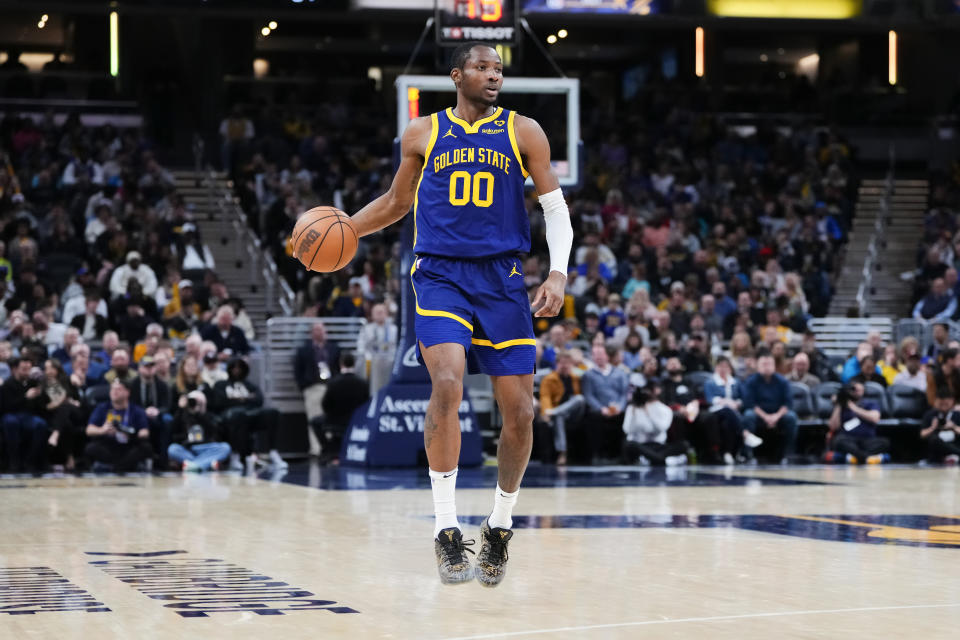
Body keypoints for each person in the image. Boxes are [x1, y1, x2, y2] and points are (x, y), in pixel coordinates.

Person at [348, 42, 573, 587]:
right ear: (457, 75)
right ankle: (447, 529)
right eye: (482, 67)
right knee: (446, 383)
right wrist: (346, 231)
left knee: (520, 412)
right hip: (441, 274)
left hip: (503, 279)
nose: (493, 75)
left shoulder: (525, 132)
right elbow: (397, 203)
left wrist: (559, 271)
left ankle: (498, 526)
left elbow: (555, 208)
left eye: (498, 68)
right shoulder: (423, 133)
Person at [209, 358, 286, 470]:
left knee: (273, 413)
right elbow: (220, 401)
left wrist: (237, 399)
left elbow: (259, 400)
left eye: (240, 367)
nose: (237, 370)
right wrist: (245, 399)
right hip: (231, 417)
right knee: (238, 414)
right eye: (234, 367)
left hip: (250, 415)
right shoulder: (221, 384)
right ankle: (235, 455)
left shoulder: (250, 385)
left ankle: (273, 452)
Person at [703, 356, 763, 465]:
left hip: (733, 413)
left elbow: (743, 398)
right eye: (720, 366)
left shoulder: (736, 382)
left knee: (729, 422)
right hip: (716, 412)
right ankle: (745, 434)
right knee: (727, 410)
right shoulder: (710, 382)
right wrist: (725, 401)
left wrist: (736, 403)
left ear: (730, 369)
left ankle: (730, 453)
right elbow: (709, 399)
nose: (723, 369)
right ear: (716, 368)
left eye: (726, 366)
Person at [294, 321, 341, 457]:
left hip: (330, 387)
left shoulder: (333, 348)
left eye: (322, 330)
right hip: (313, 387)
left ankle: (331, 448)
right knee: (314, 418)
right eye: (317, 330)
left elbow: (338, 367)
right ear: (312, 333)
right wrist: (304, 385)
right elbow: (298, 371)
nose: (320, 333)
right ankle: (316, 449)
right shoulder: (304, 350)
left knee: (331, 418)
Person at [741, 351, 798, 463]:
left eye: (769, 364)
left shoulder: (782, 381)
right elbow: (750, 404)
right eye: (764, 364)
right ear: (758, 365)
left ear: (774, 366)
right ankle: (748, 454)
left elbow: (787, 403)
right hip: (759, 414)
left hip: (778, 414)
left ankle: (786, 454)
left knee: (791, 417)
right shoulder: (751, 381)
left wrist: (776, 416)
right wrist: (766, 417)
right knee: (748, 416)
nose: (767, 367)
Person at [84, 379, 153, 472]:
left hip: (129, 444)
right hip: (109, 444)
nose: (114, 392)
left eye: (119, 389)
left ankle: (113, 467)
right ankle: (123, 467)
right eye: (112, 389)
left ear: (127, 392)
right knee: (91, 448)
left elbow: (145, 432)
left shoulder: (136, 409)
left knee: (146, 448)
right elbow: (89, 430)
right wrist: (103, 430)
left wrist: (130, 433)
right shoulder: (102, 408)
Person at [317, 352, 370, 465]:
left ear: (341, 364)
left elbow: (325, 404)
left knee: (315, 422)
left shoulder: (333, 383)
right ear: (354, 364)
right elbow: (366, 403)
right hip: (356, 420)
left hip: (335, 420)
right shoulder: (363, 383)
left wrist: (332, 414)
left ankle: (329, 450)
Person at [581, 344, 629, 463]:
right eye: (595, 355)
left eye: (601, 354)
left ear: (607, 356)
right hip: (598, 410)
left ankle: (620, 455)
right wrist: (601, 408)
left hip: (617, 409)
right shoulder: (588, 375)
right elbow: (588, 395)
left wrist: (619, 407)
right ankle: (598, 455)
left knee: (625, 418)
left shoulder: (620, 373)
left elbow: (624, 394)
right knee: (593, 419)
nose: (599, 357)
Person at [621, 382, 688, 466]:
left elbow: (661, 428)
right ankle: (663, 460)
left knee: (684, 445)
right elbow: (626, 430)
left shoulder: (665, 409)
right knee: (629, 445)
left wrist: (647, 412)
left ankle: (651, 459)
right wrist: (634, 412)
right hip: (639, 445)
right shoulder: (632, 408)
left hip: (657, 445)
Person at [537, 350, 585, 466]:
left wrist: (581, 361)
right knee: (559, 417)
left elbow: (587, 370)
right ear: (557, 364)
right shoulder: (549, 379)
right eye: (562, 363)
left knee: (579, 399)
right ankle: (562, 452)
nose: (565, 366)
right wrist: (546, 412)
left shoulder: (575, 377)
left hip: (574, 412)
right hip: (558, 413)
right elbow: (545, 397)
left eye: (568, 363)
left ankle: (555, 412)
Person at [1, 357, 48, 472]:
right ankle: (14, 461)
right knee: (11, 422)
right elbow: (6, 407)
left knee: (41, 424)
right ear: (15, 369)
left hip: (27, 416)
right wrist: (25, 398)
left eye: (28, 369)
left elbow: (41, 406)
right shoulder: (7, 385)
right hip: (10, 414)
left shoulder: (33, 383)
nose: (27, 372)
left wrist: (41, 392)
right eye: (23, 369)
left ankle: (30, 461)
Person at [825, 382, 890, 464]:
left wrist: (853, 407)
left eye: (859, 390)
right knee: (838, 441)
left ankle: (854, 458)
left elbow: (874, 418)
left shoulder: (870, 404)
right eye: (854, 389)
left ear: (864, 391)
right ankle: (867, 458)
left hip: (868, 439)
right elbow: (833, 427)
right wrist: (839, 404)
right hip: (848, 439)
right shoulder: (842, 405)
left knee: (884, 442)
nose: (856, 392)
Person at [168, 390, 231, 471]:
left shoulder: (208, 416)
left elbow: (214, 432)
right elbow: (173, 432)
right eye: (192, 401)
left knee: (225, 447)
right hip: (188, 449)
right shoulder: (181, 415)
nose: (194, 404)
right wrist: (181, 409)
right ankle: (206, 464)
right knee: (172, 448)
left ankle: (194, 465)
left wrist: (200, 413)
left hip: (206, 448)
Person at [130, 355, 174, 469]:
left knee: (168, 420)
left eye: (151, 366)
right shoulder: (133, 384)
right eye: (145, 366)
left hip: (158, 416)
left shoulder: (162, 385)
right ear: (139, 368)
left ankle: (164, 458)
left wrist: (157, 411)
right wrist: (143, 412)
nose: (149, 369)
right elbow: (131, 405)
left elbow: (167, 406)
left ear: (155, 368)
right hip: (139, 415)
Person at [42, 358, 83, 471]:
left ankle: (55, 434)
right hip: (57, 416)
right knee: (66, 424)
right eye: (46, 368)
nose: (48, 371)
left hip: (73, 413)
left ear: (57, 368)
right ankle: (69, 458)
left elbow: (77, 401)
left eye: (51, 368)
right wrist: (60, 402)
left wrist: (62, 402)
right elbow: (46, 407)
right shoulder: (43, 384)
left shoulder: (67, 379)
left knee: (65, 408)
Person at [355, 302, 398, 396]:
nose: (379, 314)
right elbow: (361, 346)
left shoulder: (394, 329)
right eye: (377, 312)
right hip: (372, 361)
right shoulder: (367, 329)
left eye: (381, 312)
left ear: (386, 314)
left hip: (390, 360)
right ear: (372, 315)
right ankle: (372, 396)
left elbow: (396, 347)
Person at [920, 388, 960, 464]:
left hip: (954, 443)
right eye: (941, 404)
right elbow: (922, 434)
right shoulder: (930, 415)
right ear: (936, 402)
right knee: (933, 439)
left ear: (952, 401)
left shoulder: (957, 415)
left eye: (946, 404)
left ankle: (954, 455)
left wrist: (953, 427)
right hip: (938, 449)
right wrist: (933, 428)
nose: (944, 407)